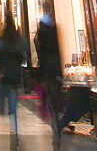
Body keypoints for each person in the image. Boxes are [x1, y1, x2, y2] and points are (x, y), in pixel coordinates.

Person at [0, 12, 29, 141]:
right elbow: (22, 55)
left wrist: (0, 67)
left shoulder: (2, 39)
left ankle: (1, 107)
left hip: (4, 75)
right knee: (13, 104)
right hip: (15, 75)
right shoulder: (18, 39)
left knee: (2, 96)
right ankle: (14, 129)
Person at [34, 8, 61, 147]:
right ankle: (55, 110)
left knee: (50, 88)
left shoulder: (42, 31)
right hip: (54, 64)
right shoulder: (53, 30)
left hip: (46, 65)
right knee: (53, 88)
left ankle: (52, 108)